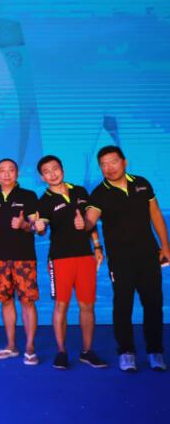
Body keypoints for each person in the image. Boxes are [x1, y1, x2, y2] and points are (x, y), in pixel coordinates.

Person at [85, 146, 169, 372]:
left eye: (113, 162)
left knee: (153, 304)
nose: (109, 168)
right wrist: (83, 223)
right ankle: (126, 351)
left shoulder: (142, 183)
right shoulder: (99, 193)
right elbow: (90, 220)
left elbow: (155, 214)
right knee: (123, 305)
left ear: (124, 162)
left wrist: (165, 246)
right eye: (103, 164)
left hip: (148, 255)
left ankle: (155, 351)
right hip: (120, 260)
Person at [34, 155, 107, 369]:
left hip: (85, 257)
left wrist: (97, 246)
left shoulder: (80, 192)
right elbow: (41, 227)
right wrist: (39, 228)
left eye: (55, 168)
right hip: (60, 259)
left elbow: (90, 222)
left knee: (87, 305)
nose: (52, 174)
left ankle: (87, 351)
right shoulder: (44, 200)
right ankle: (61, 352)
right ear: (42, 177)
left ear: (63, 170)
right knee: (61, 305)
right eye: (47, 172)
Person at [0, 158, 40, 366]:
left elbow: (36, 227)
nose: (7, 174)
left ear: (17, 174)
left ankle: (30, 347)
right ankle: (11, 345)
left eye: (11, 170)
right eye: (2, 170)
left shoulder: (29, 196)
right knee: (6, 301)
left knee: (27, 302)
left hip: (24, 258)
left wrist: (24, 225)